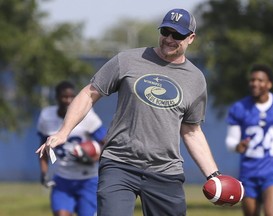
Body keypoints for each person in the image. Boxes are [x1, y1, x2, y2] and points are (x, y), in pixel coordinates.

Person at [37, 9, 221, 216]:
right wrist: (63, 132)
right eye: (165, 31)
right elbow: (89, 93)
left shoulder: (195, 79)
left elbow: (191, 131)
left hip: (165, 171)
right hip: (119, 164)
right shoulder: (127, 60)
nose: (169, 39)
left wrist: (213, 175)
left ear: (191, 38)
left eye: (177, 35)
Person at [225, 64, 273, 216]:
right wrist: (237, 146)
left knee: (271, 213)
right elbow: (231, 141)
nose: (255, 83)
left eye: (260, 80)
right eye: (252, 80)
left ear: (269, 84)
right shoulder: (239, 107)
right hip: (249, 170)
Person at [37, 80, 107, 216]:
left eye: (72, 97)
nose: (68, 100)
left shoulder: (87, 116)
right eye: (64, 96)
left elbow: (106, 143)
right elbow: (42, 148)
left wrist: (93, 156)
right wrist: (44, 172)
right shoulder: (47, 116)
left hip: (88, 180)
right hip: (63, 177)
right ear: (57, 97)